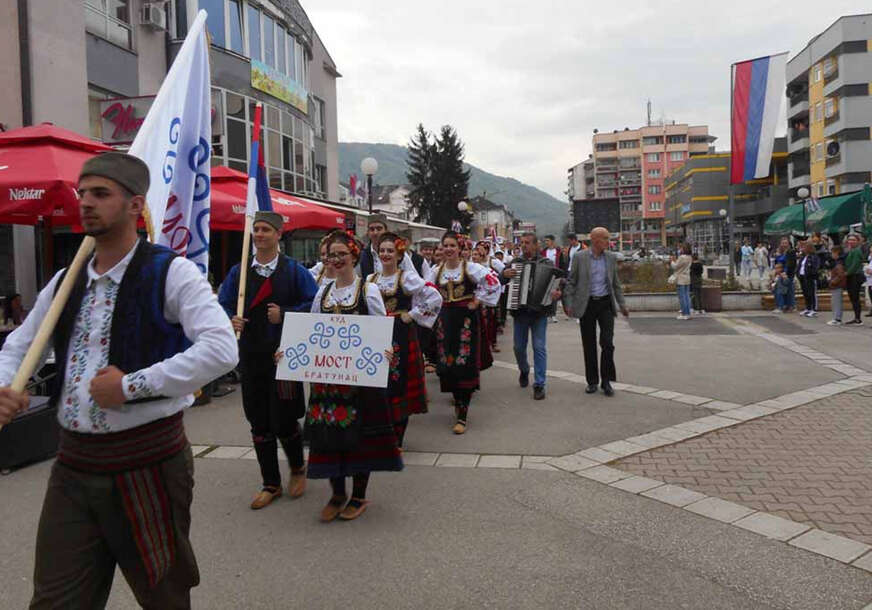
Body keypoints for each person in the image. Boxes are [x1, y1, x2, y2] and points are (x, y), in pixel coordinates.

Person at [0, 152, 238, 608]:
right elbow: (20, 345)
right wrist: (4, 384)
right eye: (81, 193)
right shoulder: (65, 281)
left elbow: (221, 348)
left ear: (134, 206)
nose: (85, 202)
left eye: (100, 194)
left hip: (147, 464)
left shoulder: (170, 271)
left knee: (164, 595)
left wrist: (131, 386)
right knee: (54, 600)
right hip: (72, 465)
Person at [300, 231, 403, 522]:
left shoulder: (367, 290)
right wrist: (290, 354)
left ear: (354, 256)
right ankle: (337, 493)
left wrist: (385, 352)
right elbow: (311, 331)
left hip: (359, 379)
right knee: (329, 434)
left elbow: (381, 328)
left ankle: (358, 495)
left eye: (341, 254)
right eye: (331, 255)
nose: (335, 260)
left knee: (359, 436)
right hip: (329, 378)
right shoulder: (323, 292)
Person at [218, 211, 318, 510]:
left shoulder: (295, 271)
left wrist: (285, 314)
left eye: (265, 230)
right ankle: (270, 483)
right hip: (251, 356)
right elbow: (221, 304)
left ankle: (298, 468)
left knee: (285, 418)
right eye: (256, 229)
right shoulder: (239, 273)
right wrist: (230, 319)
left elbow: (314, 305)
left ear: (278, 234)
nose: (259, 234)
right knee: (258, 421)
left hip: (284, 358)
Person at [367, 232, 441, 446]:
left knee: (398, 383)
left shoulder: (407, 277)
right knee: (379, 382)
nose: (385, 254)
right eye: (382, 250)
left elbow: (434, 296)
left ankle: (397, 438)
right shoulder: (371, 279)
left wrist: (414, 314)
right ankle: (383, 432)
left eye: (390, 250)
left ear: (399, 255)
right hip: (377, 334)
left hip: (400, 333)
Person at [431, 231, 501, 434]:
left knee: (465, 363)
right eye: (446, 246)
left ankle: (462, 413)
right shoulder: (436, 271)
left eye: (453, 245)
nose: (449, 249)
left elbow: (493, 282)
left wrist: (478, 300)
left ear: (460, 249)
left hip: (466, 322)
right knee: (447, 363)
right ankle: (457, 398)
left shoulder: (471, 268)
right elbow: (425, 292)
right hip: (446, 322)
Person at [562, 227, 629, 397]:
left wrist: (622, 304)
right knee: (589, 343)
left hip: (605, 304)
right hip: (587, 304)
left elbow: (615, 284)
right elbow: (571, 282)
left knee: (607, 343)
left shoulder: (611, 258)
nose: (609, 241)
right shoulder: (579, 258)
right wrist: (568, 303)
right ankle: (592, 381)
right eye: (606, 238)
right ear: (596, 240)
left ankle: (606, 381)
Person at [504, 232, 554, 400]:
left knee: (539, 347)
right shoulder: (515, 263)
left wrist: (556, 293)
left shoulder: (546, 263)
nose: (523, 245)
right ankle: (524, 370)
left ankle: (539, 384)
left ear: (535, 245)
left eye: (526, 243)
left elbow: (556, 283)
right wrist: (504, 275)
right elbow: (499, 279)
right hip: (520, 312)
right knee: (518, 348)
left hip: (539, 313)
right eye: (521, 242)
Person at [843, 233, 865, 325]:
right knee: (853, 297)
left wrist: (847, 273)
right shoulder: (851, 250)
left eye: (853, 240)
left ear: (858, 241)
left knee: (855, 297)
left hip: (855, 276)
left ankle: (858, 318)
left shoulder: (856, 251)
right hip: (852, 276)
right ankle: (856, 317)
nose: (851, 241)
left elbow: (855, 264)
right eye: (849, 240)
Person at [541, 235, 564, 322]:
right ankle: (546, 314)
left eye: (547, 240)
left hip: (555, 276)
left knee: (554, 295)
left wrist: (561, 275)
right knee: (546, 296)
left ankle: (553, 314)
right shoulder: (543, 252)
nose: (546, 242)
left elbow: (562, 264)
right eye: (545, 241)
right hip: (545, 275)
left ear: (552, 241)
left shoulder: (558, 252)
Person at [774, 238, 798, 312]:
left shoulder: (791, 252)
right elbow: (777, 262)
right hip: (780, 273)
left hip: (787, 274)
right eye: (782, 243)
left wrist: (785, 273)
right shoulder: (781, 252)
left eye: (785, 243)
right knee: (784, 290)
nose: (784, 245)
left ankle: (786, 306)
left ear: (789, 244)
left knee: (785, 290)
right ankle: (787, 306)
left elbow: (790, 264)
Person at [797, 241, 820, 317]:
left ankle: (814, 309)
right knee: (806, 293)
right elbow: (800, 266)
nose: (802, 249)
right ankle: (808, 308)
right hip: (803, 276)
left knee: (811, 293)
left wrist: (811, 273)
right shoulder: (803, 257)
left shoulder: (813, 257)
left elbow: (815, 267)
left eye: (804, 247)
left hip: (810, 277)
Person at [671, 244, 693, 320]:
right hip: (687, 278)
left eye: (681, 248)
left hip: (680, 279)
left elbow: (675, 267)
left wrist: (672, 261)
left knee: (682, 297)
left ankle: (684, 314)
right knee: (687, 296)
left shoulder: (681, 257)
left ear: (684, 249)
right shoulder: (690, 257)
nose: (680, 249)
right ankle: (688, 313)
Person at [826, 244, 846, 326]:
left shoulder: (839, 263)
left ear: (836, 253)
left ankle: (837, 319)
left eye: (832, 253)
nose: (832, 255)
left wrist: (833, 281)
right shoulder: (838, 262)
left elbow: (840, 275)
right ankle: (836, 318)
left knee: (836, 302)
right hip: (836, 285)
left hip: (837, 285)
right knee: (835, 302)